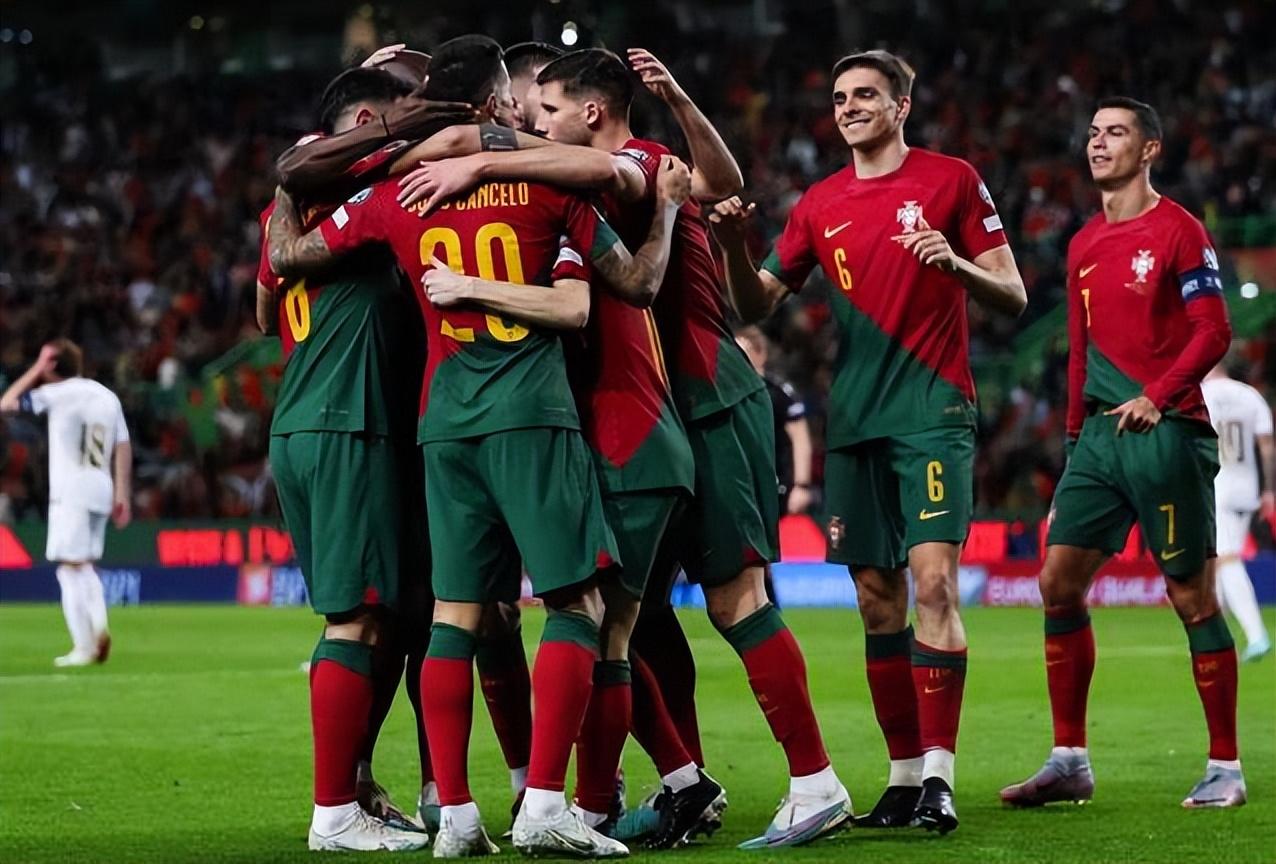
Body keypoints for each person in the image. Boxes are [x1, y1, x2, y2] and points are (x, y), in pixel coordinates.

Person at [267, 34, 691, 859]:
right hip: (532, 414)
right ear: (498, 104)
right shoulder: (550, 186)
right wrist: (666, 210)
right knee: (577, 607)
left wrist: (292, 184)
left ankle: (455, 815)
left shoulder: (392, 194)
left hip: (441, 422)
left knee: (452, 617)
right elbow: (632, 285)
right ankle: (544, 804)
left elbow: (289, 255)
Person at [418, 47, 852, 848]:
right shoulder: (598, 179)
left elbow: (710, 183)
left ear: (590, 113)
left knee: (732, 600)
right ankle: (683, 781)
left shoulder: (636, 164)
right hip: (649, 412)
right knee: (633, 616)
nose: (535, 123)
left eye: (548, 111)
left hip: (704, 397)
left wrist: (478, 156)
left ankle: (813, 782)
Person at [710, 49, 1027, 835]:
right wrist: (737, 247)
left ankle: (939, 778)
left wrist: (955, 264)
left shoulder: (952, 181)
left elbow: (1014, 294)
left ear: (901, 105)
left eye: (864, 95)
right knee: (876, 599)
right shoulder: (820, 202)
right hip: (853, 421)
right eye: (840, 96)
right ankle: (902, 777)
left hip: (931, 411)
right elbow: (757, 303)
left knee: (934, 585)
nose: (848, 106)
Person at [999, 97, 1240, 810]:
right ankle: (1069, 760)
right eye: (1094, 133)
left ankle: (1225, 767)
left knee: (1190, 595)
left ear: (1150, 149)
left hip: (1168, 432)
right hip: (1100, 441)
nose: (1099, 143)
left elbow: (1214, 331)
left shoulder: (1180, 231)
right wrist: (1075, 447)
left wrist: (1159, 396)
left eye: (1117, 133)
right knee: (1057, 582)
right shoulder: (1082, 243)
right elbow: (1078, 353)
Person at [257, 65, 431, 853]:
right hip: (343, 419)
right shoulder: (358, 190)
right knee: (357, 618)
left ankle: (356, 785)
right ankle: (334, 812)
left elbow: (263, 310)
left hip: (310, 416)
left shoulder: (286, 209)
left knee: (385, 613)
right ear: (367, 123)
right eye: (404, 112)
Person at [1, 340, 131, 667]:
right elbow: (123, 445)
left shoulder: (58, 393)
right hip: (102, 487)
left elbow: (5, 405)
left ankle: (88, 642)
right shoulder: (107, 396)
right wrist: (122, 494)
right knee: (83, 564)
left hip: (70, 490)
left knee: (71, 569)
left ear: (52, 365)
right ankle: (94, 636)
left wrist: (35, 369)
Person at [1202, 362, 1274, 662]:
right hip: (1247, 486)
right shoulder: (1250, 396)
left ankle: (1257, 635)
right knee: (1217, 558)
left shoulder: (1202, 394)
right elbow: (1267, 446)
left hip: (1218, 483)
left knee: (1226, 558)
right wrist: (1269, 490)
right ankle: (1213, 635)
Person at [735, 325, 815, 516]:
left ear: (760, 354)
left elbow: (800, 439)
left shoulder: (778, 393)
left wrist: (801, 485)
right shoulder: (729, 394)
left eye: (743, 352)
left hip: (775, 480)